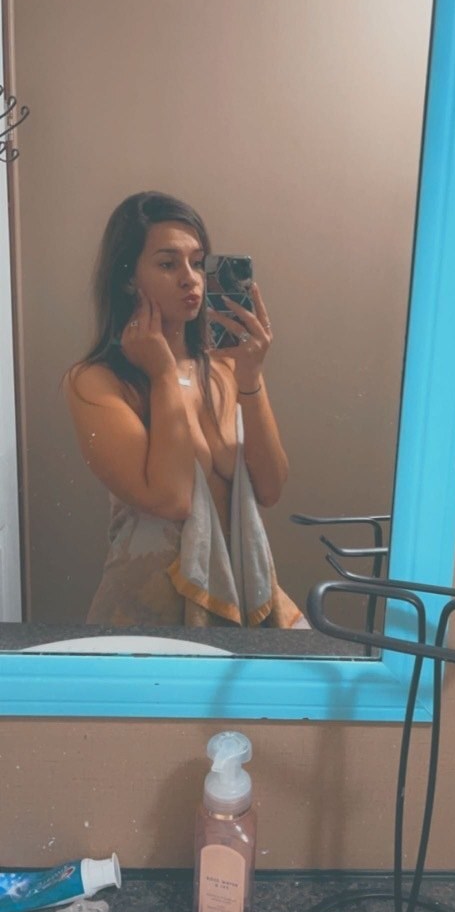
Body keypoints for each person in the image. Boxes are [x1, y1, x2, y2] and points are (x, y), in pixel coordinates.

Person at [65, 191, 305, 628]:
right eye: (167, 264)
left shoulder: (227, 369)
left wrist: (251, 377)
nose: (190, 279)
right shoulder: (96, 381)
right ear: (127, 278)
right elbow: (173, 498)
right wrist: (162, 374)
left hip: (242, 600)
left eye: (198, 263)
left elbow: (270, 488)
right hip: (145, 612)